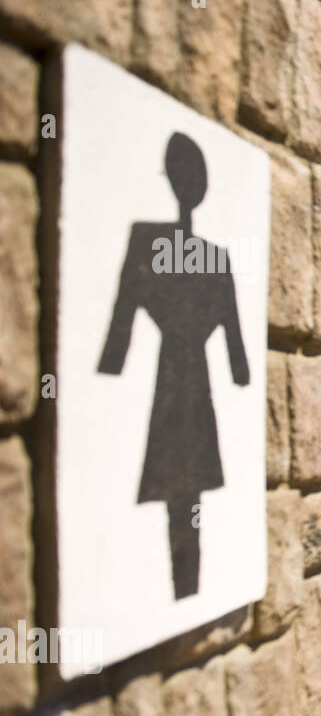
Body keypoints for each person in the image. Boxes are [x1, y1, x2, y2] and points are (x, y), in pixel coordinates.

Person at [98, 132, 250, 599]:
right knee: (186, 490)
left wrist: (110, 372)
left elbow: (121, 324)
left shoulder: (150, 242)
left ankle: (184, 588)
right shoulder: (213, 256)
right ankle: (183, 587)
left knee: (178, 488)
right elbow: (239, 361)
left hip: (178, 373)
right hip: (191, 376)